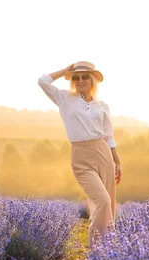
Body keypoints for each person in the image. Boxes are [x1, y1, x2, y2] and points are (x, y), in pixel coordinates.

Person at [38, 61, 122, 248]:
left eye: (85, 77)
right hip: (80, 156)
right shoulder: (64, 98)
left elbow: (108, 134)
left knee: (110, 203)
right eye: (76, 77)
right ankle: (96, 250)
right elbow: (42, 81)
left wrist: (117, 160)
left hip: (103, 153)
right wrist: (63, 72)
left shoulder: (102, 105)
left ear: (92, 80)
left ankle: (109, 250)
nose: (81, 80)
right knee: (102, 200)